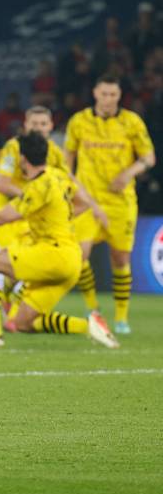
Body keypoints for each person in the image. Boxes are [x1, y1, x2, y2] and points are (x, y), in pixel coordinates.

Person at [0, 132, 118, 350]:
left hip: (52, 254)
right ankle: (89, 326)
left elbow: (1, 217)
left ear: (22, 159)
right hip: (71, 258)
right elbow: (83, 202)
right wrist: (56, 217)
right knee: (23, 323)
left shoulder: (37, 187)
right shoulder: (58, 175)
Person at [0, 106, 107, 316]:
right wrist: (35, 195)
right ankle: (7, 304)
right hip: (5, 210)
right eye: (34, 124)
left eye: (43, 124)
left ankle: (9, 301)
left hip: (30, 211)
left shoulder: (54, 153)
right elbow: (2, 184)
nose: (39, 128)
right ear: (25, 126)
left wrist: (93, 205)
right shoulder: (12, 148)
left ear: (50, 126)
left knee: (31, 260)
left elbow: (70, 181)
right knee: (18, 258)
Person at [64, 74, 156, 334]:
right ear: (95, 93)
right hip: (85, 200)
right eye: (104, 94)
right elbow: (66, 163)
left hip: (121, 201)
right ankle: (93, 308)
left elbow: (149, 157)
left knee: (120, 257)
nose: (108, 99)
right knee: (80, 255)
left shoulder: (131, 122)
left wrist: (129, 173)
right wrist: (78, 191)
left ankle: (122, 317)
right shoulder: (79, 121)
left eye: (113, 95)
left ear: (119, 96)